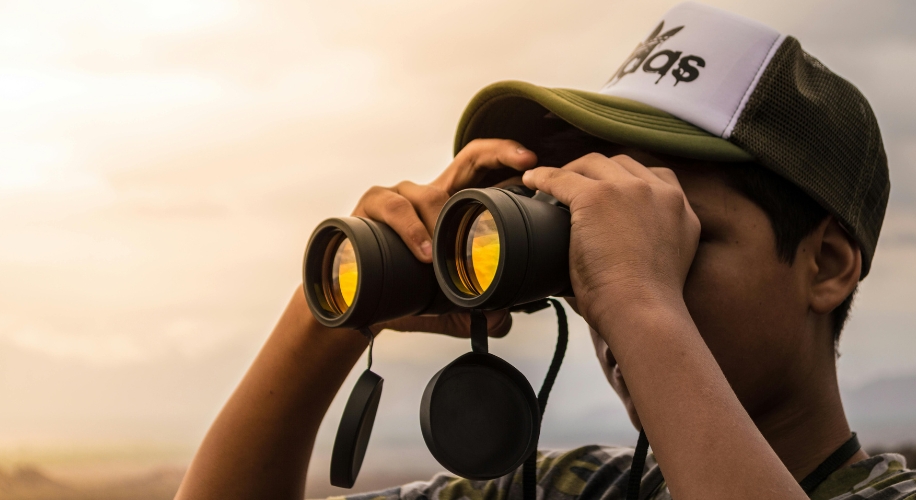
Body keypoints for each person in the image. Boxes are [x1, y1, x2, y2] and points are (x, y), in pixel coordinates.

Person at [174, 3, 914, 500]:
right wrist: (332, 308)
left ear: (827, 265)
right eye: (597, 226)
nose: (608, 279)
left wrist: (638, 299)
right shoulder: (577, 488)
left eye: (674, 229)